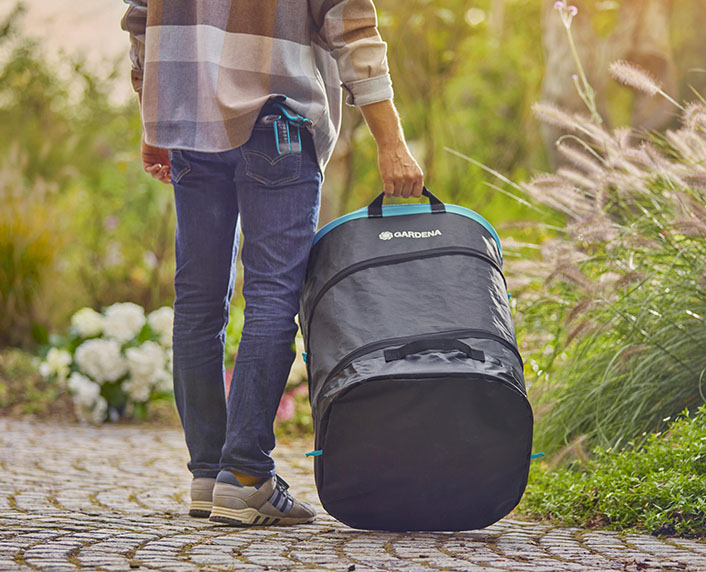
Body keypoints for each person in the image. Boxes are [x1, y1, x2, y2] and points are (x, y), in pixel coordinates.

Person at [121, 0, 424, 527]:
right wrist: (390, 139)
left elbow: (142, 17)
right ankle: (243, 477)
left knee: (197, 303)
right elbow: (350, 23)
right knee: (270, 301)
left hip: (188, 122)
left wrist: (155, 114)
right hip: (276, 118)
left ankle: (209, 474)